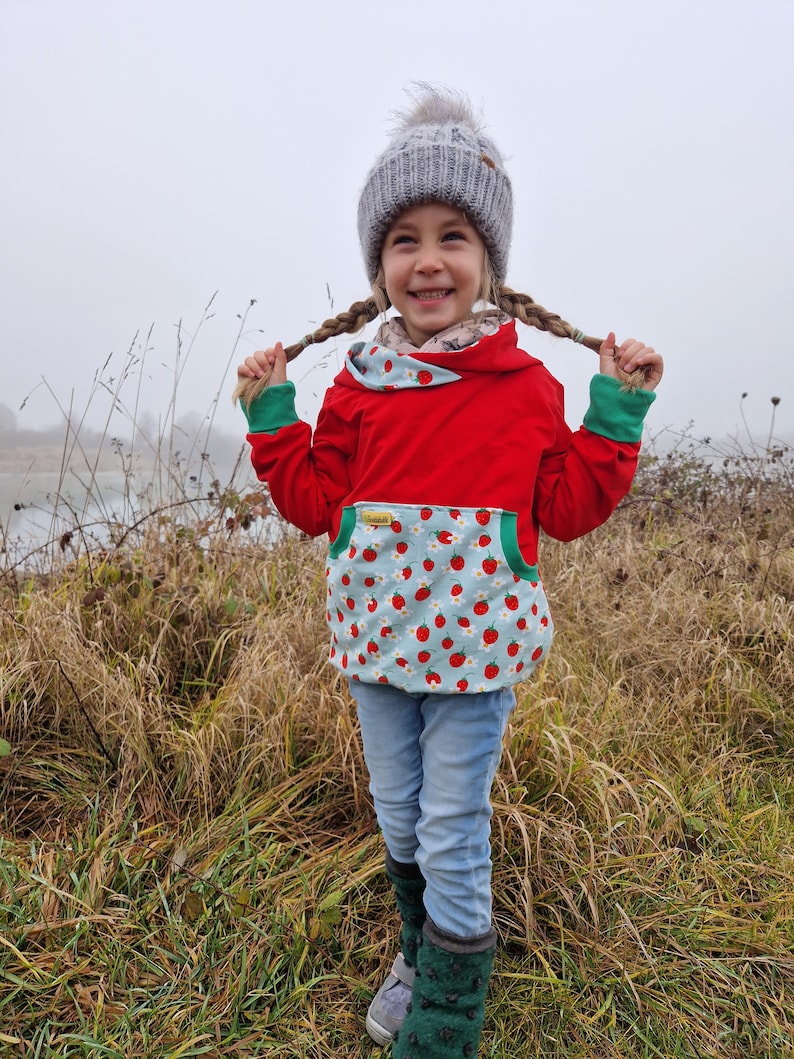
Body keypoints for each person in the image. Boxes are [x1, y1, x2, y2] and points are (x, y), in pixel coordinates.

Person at [235, 84, 663, 1058]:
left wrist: (612, 412)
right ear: (379, 264)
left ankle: (447, 1013)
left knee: (449, 819)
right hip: (374, 645)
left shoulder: (522, 387)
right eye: (403, 240)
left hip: (477, 652)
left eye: (452, 236)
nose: (427, 260)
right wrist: (271, 415)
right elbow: (310, 504)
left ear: (487, 262)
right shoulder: (354, 387)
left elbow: (567, 507)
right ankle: (418, 948)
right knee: (396, 814)